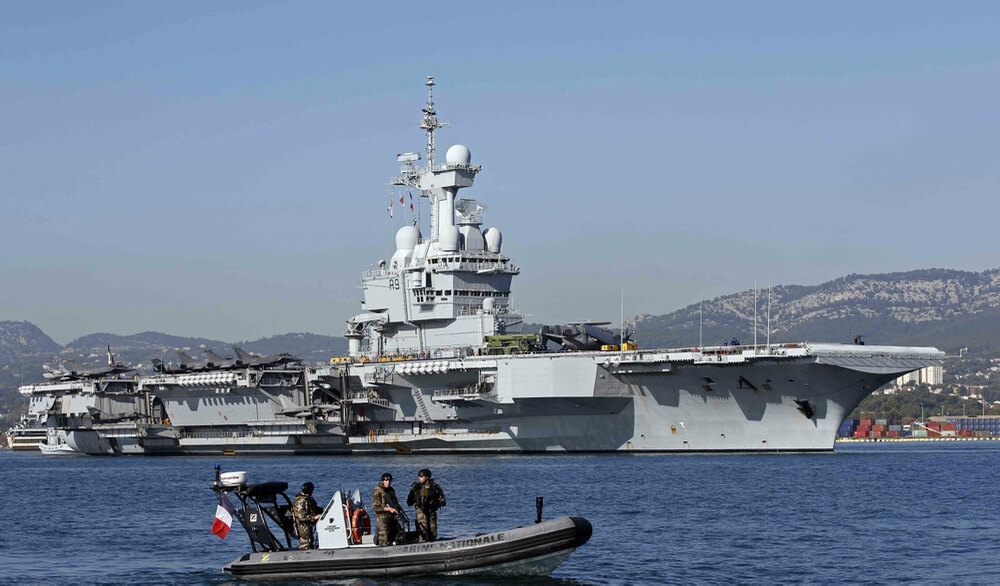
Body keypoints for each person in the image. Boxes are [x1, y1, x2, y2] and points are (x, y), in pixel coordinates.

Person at [407, 468, 446, 542]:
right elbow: (409, 502)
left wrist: (435, 502)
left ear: (427, 477)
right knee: (423, 533)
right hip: (421, 512)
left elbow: (443, 501)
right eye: (419, 476)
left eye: (421, 476)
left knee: (432, 533)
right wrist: (413, 493)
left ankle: (432, 543)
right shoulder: (416, 487)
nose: (419, 478)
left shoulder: (434, 487)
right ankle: (423, 542)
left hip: (431, 511)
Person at [371, 472, 402, 546]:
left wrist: (397, 510)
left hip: (392, 517)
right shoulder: (378, 491)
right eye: (386, 480)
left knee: (399, 533)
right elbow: (376, 508)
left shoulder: (391, 490)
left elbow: (394, 503)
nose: (388, 482)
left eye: (389, 481)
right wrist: (389, 509)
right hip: (383, 518)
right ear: (382, 481)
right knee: (384, 539)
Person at [292, 481, 322, 550]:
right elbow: (301, 517)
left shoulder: (308, 499)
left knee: (310, 542)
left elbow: (315, 508)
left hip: (308, 524)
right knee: (306, 544)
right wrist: (314, 517)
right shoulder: (301, 501)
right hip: (303, 526)